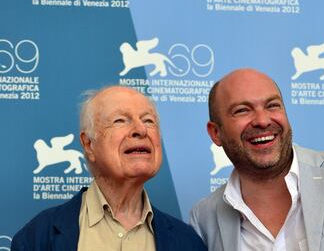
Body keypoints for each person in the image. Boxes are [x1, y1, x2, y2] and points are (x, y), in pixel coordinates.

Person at [190, 68, 324, 251]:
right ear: (216, 133)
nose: (263, 121)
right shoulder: (204, 217)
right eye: (242, 110)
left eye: (272, 106)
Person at [12, 86, 206, 251]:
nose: (141, 130)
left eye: (149, 120)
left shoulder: (188, 242)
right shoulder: (37, 237)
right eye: (120, 120)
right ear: (88, 144)